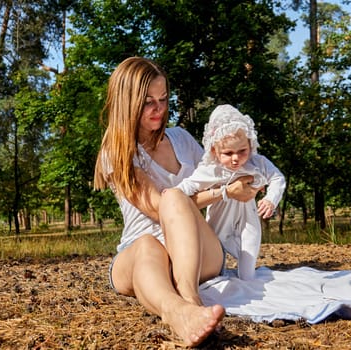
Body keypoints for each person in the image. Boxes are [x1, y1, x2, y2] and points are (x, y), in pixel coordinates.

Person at [93, 57, 259, 347]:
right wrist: (224, 192)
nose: (159, 109)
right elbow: (159, 208)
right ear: (127, 103)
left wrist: (242, 183)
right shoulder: (117, 151)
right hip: (143, 253)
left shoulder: (181, 138)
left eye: (163, 98)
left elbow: (218, 176)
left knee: (175, 197)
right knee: (150, 236)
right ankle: (179, 312)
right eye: (147, 102)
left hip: (198, 252)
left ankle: (189, 299)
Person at [177, 104, 286, 280]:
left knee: (249, 252)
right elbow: (188, 186)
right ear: (214, 151)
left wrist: (271, 199)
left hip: (248, 218)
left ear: (250, 144)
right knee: (216, 258)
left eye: (242, 151)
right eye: (228, 153)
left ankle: (247, 280)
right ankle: (215, 277)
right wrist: (171, 195)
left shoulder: (257, 163)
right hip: (219, 221)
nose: (236, 158)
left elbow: (277, 178)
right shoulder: (211, 169)